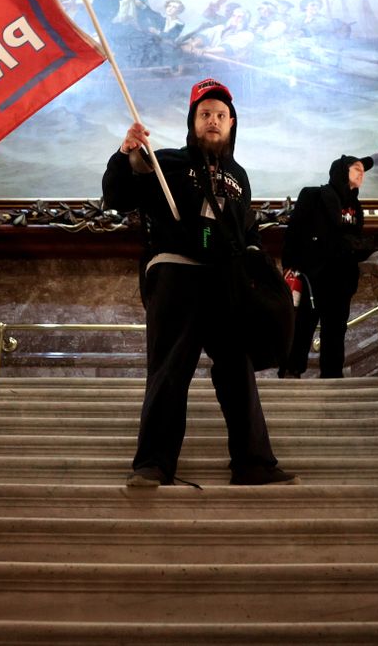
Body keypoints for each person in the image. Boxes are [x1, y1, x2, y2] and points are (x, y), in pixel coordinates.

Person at [103, 78, 298, 488]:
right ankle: (153, 464)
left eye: (221, 115)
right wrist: (125, 154)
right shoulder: (164, 162)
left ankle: (254, 464)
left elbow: (248, 231)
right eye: (205, 114)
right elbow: (118, 195)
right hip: (177, 274)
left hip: (227, 281)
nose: (213, 120)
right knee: (170, 369)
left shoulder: (239, 176)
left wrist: (259, 270)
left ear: (232, 124)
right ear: (193, 121)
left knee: (237, 370)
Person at [280, 155, 376, 379]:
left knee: (336, 330)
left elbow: (354, 239)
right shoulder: (313, 195)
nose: (361, 173)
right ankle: (291, 372)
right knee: (302, 326)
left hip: (341, 279)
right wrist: (290, 267)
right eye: (356, 169)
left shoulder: (355, 206)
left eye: (363, 170)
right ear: (342, 171)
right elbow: (293, 233)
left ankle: (332, 377)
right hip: (312, 277)